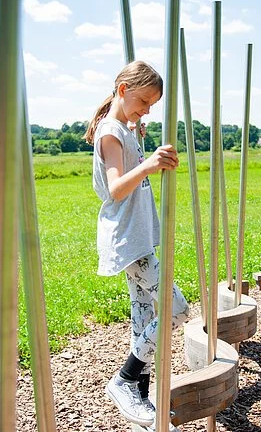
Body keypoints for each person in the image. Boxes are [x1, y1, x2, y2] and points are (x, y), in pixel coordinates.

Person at [84, 60, 190, 429]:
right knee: (176, 309)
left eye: (151, 106)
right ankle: (125, 379)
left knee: (144, 316)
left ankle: (141, 403)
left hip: (137, 238)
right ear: (124, 89)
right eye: (144, 101)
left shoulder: (124, 128)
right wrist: (150, 165)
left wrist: (138, 135)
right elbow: (115, 189)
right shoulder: (110, 132)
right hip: (128, 240)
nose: (146, 110)